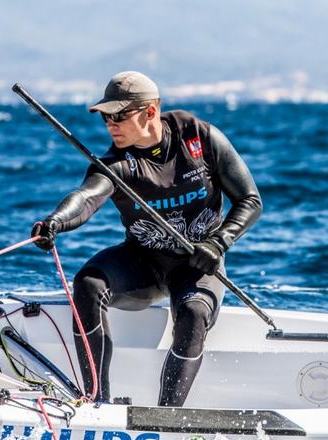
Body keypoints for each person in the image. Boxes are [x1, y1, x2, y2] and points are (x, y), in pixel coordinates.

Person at [31, 71, 262, 407]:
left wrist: (219, 242)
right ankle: (97, 402)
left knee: (194, 313)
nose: (111, 124)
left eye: (120, 115)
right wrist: (56, 221)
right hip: (144, 263)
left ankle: (167, 417)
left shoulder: (199, 137)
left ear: (150, 112)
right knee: (89, 283)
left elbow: (250, 200)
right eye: (106, 116)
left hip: (198, 265)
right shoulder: (116, 163)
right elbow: (86, 198)